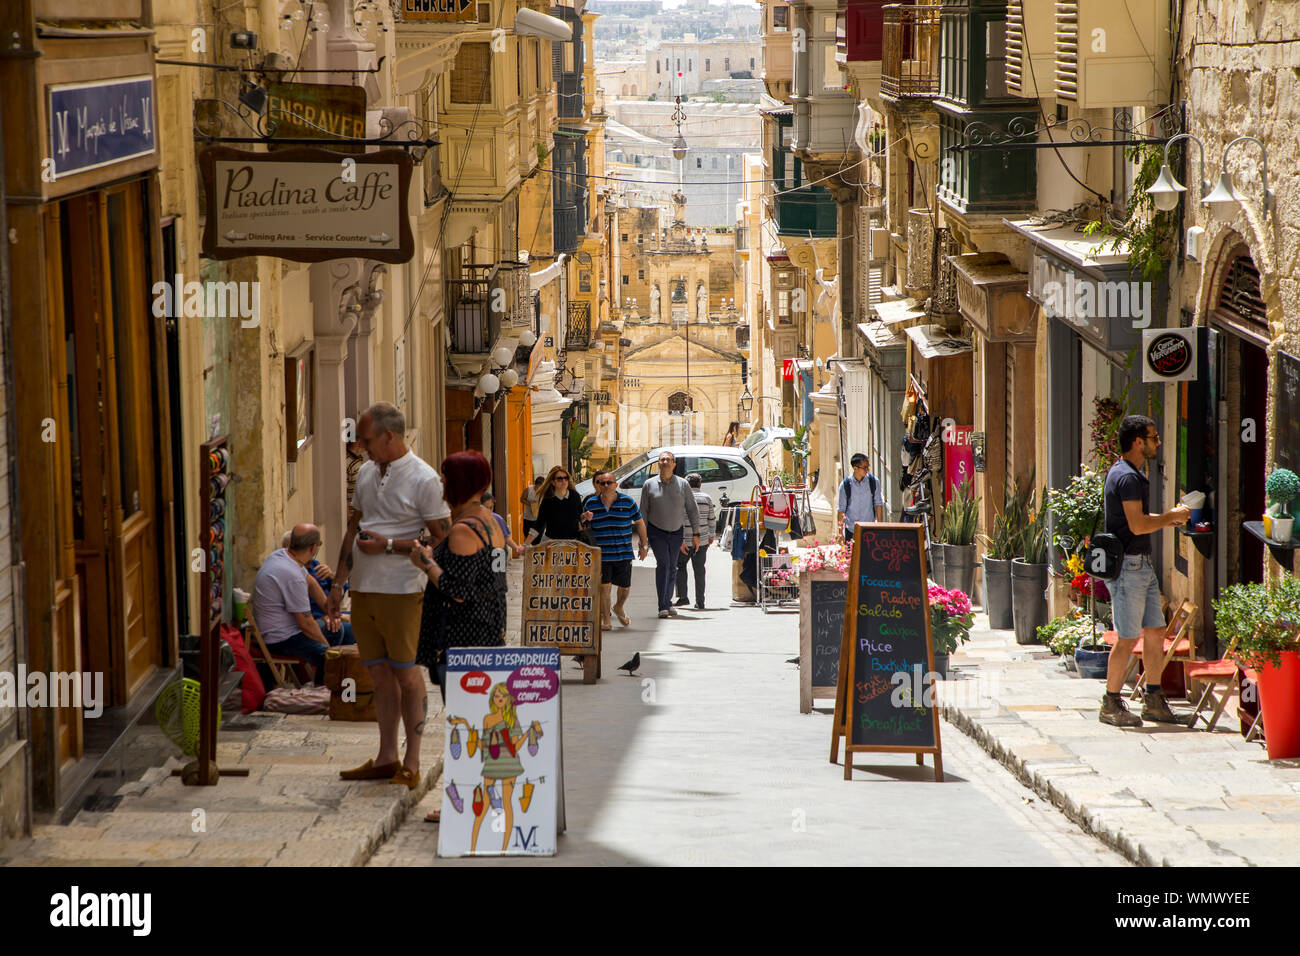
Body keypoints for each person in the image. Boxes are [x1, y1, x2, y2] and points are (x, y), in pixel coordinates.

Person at [326, 402, 451, 790]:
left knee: (407, 675)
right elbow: (353, 527)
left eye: (366, 440)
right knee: (378, 674)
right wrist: (337, 583)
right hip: (364, 590)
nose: (361, 447)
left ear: (389, 436)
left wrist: (393, 545)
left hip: (403, 591)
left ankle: (412, 761)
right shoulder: (364, 472)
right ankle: (385, 757)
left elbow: (443, 539)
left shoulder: (424, 479)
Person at [1099, 415, 1193, 728]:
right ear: (1138, 442)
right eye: (1153, 437)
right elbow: (1138, 525)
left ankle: (1154, 699)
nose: (1158, 442)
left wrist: (1169, 518)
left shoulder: (1128, 473)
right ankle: (1111, 702)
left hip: (1141, 565)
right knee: (1126, 638)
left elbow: (1136, 518)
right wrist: (1169, 517)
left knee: (1154, 632)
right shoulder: (1128, 478)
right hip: (1129, 568)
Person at [252, 524, 347, 684]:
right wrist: (329, 651)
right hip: (281, 639)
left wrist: (328, 609)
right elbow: (306, 624)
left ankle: (320, 685)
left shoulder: (283, 556)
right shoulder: (291, 574)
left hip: (290, 630)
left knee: (337, 629)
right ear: (313, 548)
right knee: (335, 659)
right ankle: (324, 693)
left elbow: (310, 582)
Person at [583, 469, 649, 628]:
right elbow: (582, 526)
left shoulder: (627, 501)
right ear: (598, 485)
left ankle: (618, 606)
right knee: (604, 587)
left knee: (625, 587)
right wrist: (584, 518)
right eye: (602, 483)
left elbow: (639, 522)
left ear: (615, 484)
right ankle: (606, 619)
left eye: (608, 483)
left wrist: (644, 545)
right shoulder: (590, 503)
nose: (605, 485)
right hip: (602, 554)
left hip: (623, 552)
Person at [640, 451, 701, 619]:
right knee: (664, 564)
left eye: (668, 460)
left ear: (674, 464)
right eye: (662, 460)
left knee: (673, 566)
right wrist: (643, 539)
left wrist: (696, 533)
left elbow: (692, 509)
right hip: (656, 531)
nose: (665, 462)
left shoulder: (683, 484)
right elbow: (643, 512)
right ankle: (663, 605)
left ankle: (668, 601)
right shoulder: (649, 484)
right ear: (658, 464)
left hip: (676, 532)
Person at [675, 473, 716, 610]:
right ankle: (700, 601)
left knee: (680, 567)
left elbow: (677, 521)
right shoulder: (707, 498)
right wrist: (711, 536)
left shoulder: (681, 498)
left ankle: (682, 597)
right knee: (699, 571)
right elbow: (711, 519)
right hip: (702, 540)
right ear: (700, 484)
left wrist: (679, 539)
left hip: (684, 541)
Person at [527, 465, 593, 543]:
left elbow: (578, 518)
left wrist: (585, 516)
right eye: (559, 479)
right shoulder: (547, 500)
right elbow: (539, 524)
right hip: (552, 543)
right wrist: (525, 544)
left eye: (566, 478)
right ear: (552, 482)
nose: (564, 481)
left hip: (572, 543)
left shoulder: (575, 496)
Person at [837, 452, 885, 543]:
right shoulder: (845, 485)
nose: (867, 470)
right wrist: (840, 533)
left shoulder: (874, 482)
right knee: (850, 556)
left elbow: (878, 504)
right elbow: (841, 510)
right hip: (851, 530)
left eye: (868, 467)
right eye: (864, 468)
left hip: (870, 529)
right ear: (855, 468)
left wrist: (880, 526)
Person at [481, 491, 524, 558]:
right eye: (486, 508)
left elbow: (506, 537)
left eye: (491, 508)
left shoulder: (497, 519)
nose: (489, 511)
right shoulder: (473, 520)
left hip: (497, 556)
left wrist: (516, 548)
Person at [521, 476, 543, 541]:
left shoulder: (544, 491)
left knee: (538, 538)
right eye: (537, 487)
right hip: (528, 518)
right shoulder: (528, 490)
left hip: (539, 518)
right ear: (535, 484)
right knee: (527, 536)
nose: (538, 489)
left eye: (540, 487)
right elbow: (522, 499)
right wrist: (530, 504)